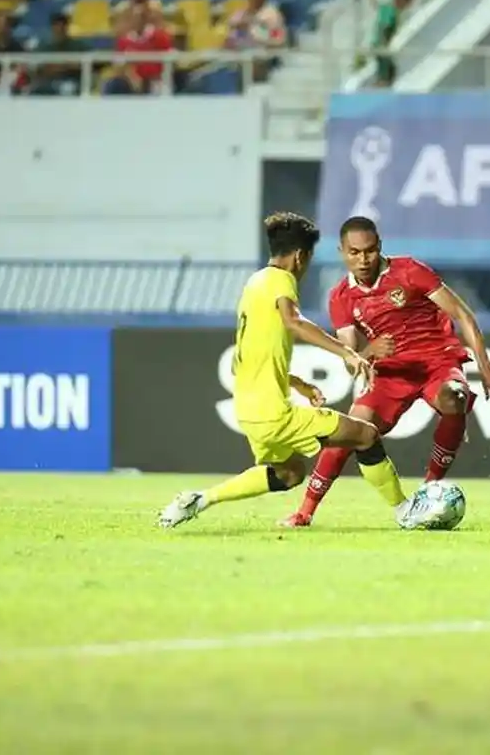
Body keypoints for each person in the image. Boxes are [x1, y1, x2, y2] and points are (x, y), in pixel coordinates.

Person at [159, 212, 434, 531]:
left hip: (249, 410)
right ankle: (405, 511)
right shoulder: (280, 281)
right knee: (365, 435)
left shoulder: (255, 282)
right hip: (274, 414)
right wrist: (346, 351)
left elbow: (243, 358)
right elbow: (294, 321)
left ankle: (199, 500)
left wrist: (298, 383)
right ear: (301, 256)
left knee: (288, 473)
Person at [280, 216, 490, 528]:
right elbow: (351, 357)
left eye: (370, 251)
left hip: (436, 362)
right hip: (389, 374)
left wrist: (485, 365)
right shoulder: (341, 297)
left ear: (380, 247)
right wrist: (369, 352)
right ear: (342, 252)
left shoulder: (410, 271)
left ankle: (430, 488)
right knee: (349, 431)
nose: (363, 259)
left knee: (454, 396)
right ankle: (304, 512)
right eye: (355, 252)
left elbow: (462, 314)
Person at [371, 0, 413, 87]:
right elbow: (384, 27)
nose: (408, 5)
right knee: (385, 75)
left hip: (380, 45)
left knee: (390, 72)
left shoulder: (386, 8)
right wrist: (384, 46)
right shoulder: (392, 11)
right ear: (401, 0)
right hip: (381, 46)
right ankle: (377, 95)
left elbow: (374, 2)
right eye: (407, 2)